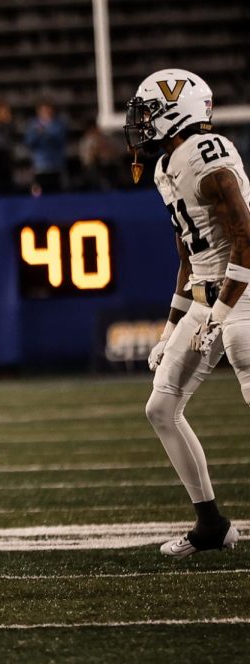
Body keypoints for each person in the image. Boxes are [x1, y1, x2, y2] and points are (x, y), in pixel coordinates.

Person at [130, 68, 248, 557]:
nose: (139, 125)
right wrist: (170, 327)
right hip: (208, 296)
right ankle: (211, 524)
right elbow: (188, 256)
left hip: (243, 291)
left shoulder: (208, 153)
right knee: (160, 407)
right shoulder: (166, 167)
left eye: (147, 114)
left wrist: (222, 313)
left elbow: (246, 238)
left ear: (174, 112)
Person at [24, 100, 68, 194]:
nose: (46, 112)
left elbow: (59, 141)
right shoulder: (33, 125)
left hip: (56, 166)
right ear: (38, 111)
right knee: (39, 194)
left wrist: (44, 132)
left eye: (48, 110)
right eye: (43, 110)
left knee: (57, 194)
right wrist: (38, 133)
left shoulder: (58, 125)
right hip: (40, 167)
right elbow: (29, 142)